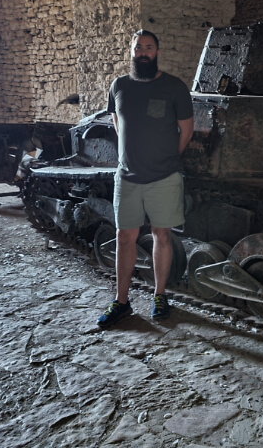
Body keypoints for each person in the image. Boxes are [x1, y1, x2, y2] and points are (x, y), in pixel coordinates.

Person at [97, 30, 194, 328]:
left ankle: (160, 295)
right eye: (138, 47)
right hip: (127, 176)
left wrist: (165, 159)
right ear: (131, 51)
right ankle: (121, 301)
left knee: (162, 235)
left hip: (163, 176)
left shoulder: (175, 87)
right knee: (124, 237)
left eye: (148, 47)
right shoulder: (119, 85)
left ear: (157, 52)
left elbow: (186, 130)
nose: (143, 52)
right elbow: (117, 121)